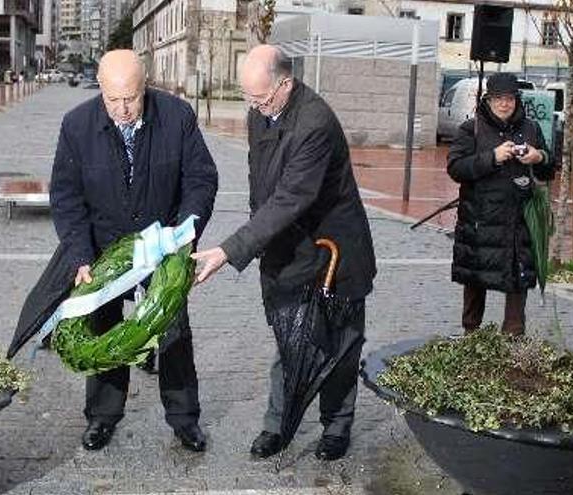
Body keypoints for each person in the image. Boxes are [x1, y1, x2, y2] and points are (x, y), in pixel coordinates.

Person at [191, 45, 376, 461]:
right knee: (288, 337)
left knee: (341, 344)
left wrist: (229, 249)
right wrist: (260, 238)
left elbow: (293, 196)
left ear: (286, 84)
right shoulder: (260, 113)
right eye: (248, 97)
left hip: (335, 251)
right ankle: (277, 425)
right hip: (287, 246)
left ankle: (336, 427)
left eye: (261, 97)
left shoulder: (315, 122)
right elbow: (262, 184)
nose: (253, 106)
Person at [51, 49, 218, 452]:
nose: (123, 109)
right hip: (104, 251)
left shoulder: (177, 117)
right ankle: (102, 417)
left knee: (174, 331)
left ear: (145, 86)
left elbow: (200, 179)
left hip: (163, 249)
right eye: (113, 99)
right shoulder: (77, 126)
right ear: (101, 89)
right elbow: (66, 196)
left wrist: (183, 233)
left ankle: (184, 419)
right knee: (105, 329)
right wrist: (80, 255)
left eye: (131, 98)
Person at [446, 72, 554, 336]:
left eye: (509, 99)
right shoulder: (471, 128)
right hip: (480, 219)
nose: (504, 104)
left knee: (518, 279)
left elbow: (549, 168)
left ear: (517, 100)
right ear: (488, 100)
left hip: (520, 221)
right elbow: (456, 168)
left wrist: (538, 156)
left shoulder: (530, 128)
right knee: (475, 277)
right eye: (498, 99)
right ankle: (472, 335)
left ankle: (513, 340)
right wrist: (492, 157)